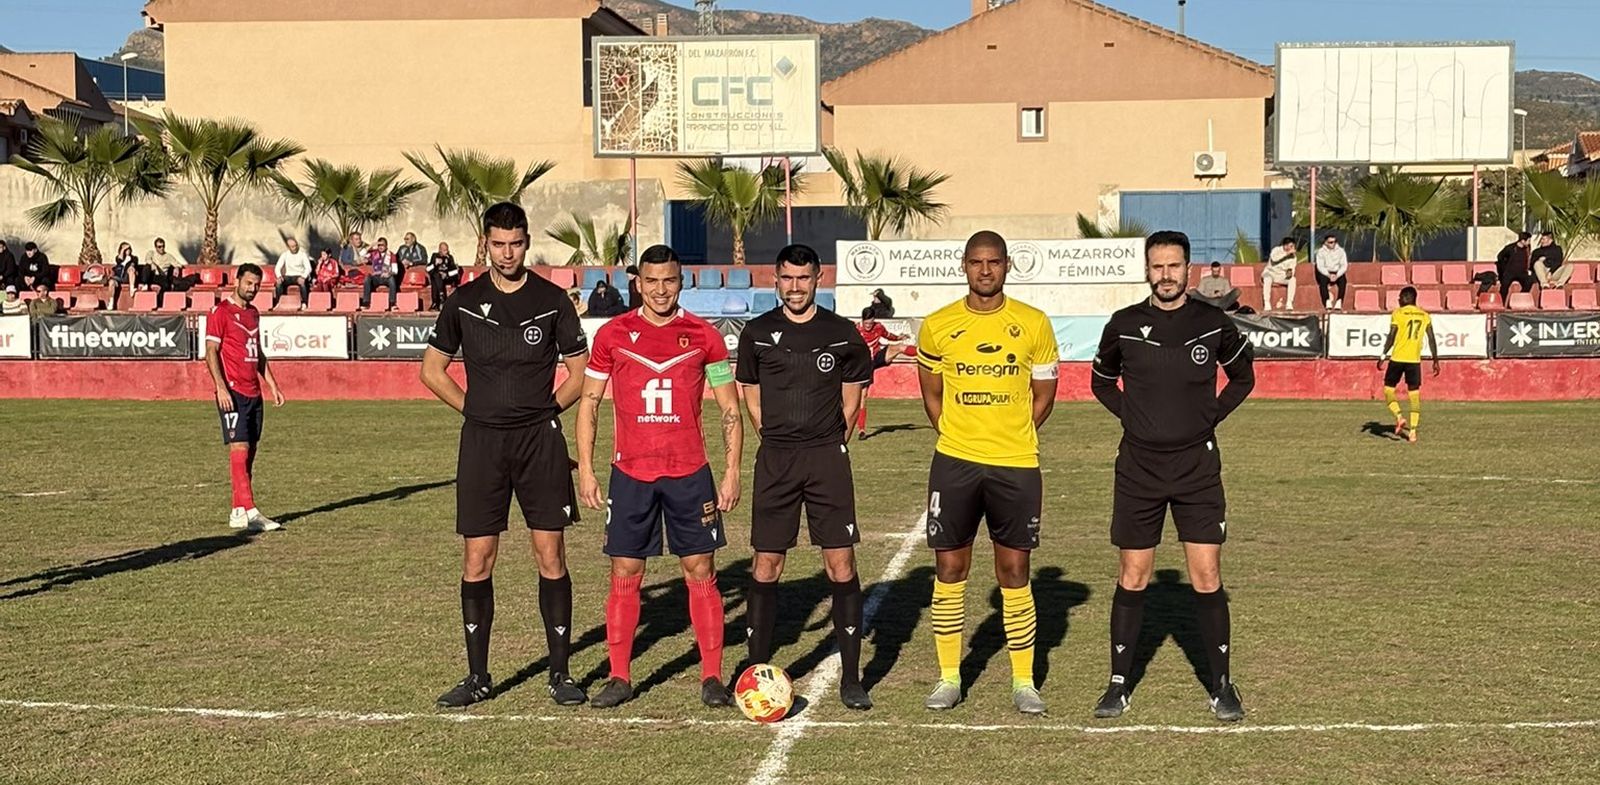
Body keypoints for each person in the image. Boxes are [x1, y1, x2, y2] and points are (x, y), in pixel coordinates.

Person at [420, 202, 590, 710]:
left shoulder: (552, 300)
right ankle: (478, 677)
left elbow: (579, 374)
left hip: (540, 442)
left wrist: (542, 411)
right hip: (482, 444)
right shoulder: (464, 301)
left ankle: (560, 674)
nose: (508, 252)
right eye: (498, 244)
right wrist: (475, 410)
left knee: (550, 554)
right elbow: (432, 371)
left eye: (516, 244)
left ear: (527, 241)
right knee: (478, 559)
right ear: (485, 243)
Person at [1089, 230, 1255, 723]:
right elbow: (1101, 381)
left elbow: (1244, 376)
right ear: (1147, 270)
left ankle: (1222, 686)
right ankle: (1118, 685)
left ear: (1189, 270)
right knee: (1133, 575)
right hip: (1138, 468)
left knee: (1206, 576)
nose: (1165, 275)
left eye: (1174, 266)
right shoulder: (1123, 324)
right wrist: (1132, 416)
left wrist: (1211, 416)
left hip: (1197, 468)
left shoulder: (1211, 322)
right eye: (1157, 267)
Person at [576, 244, 744, 710]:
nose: (660, 289)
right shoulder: (612, 334)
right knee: (625, 572)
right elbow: (589, 402)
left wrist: (731, 472)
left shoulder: (704, 336)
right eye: (651, 281)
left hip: (690, 473)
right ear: (638, 284)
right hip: (630, 474)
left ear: (682, 281)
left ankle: (712, 677)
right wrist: (588, 468)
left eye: (669, 280)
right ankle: (619, 676)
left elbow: (730, 408)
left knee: (701, 571)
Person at [916, 231, 1060, 715]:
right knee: (950, 568)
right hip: (955, 462)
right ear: (964, 265)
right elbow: (932, 395)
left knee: (1014, 571)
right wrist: (962, 436)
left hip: (1016, 464)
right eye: (976, 262)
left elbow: (1043, 396)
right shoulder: (938, 326)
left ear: (1007, 265)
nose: (985, 271)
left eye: (993, 262)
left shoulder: (1034, 323)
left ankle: (1024, 682)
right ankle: (949, 677)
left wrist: (1011, 432)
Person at [737, 243, 876, 710]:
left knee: (841, 564)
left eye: (804, 278)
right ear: (775, 280)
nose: (795, 287)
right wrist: (770, 436)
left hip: (825, 459)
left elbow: (852, 396)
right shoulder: (757, 333)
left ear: (818, 279)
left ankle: (852, 678)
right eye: (787, 278)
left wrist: (830, 441)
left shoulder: (841, 334)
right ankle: (756, 671)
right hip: (776, 459)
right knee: (767, 564)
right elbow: (749, 392)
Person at [203, 263, 287, 533]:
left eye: (256, 285)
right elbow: (211, 352)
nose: (252, 289)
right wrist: (221, 387)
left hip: (254, 391)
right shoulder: (220, 312)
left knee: (250, 451)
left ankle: (238, 510)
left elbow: (258, 352)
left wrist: (272, 384)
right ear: (237, 281)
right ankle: (251, 511)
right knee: (239, 449)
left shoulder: (253, 314)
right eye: (248, 283)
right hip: (233, 391)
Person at [1378, 286, 1440, 444]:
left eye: (1400, 297)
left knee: (1388, 389)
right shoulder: (1425, 315)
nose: (1398, 300)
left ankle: (1399, 416)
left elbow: (1391, 336)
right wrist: (1435, 360)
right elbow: (1431, 338)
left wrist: (1383, 355)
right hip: (1414, 361)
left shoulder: (1398, 314)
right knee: (1414, 394)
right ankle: (1412, 432)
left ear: (1407, 297)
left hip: (1397, 358)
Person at [853, 307, 908, 439]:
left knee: (900, 347)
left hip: (876, 357)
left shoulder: (878, 327)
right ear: (862, 320)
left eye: (870, 323)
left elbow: (888, 336)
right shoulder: (855, 329)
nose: (868, 326)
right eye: (866, 323)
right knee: (862, 397)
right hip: (863, 364)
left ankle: (925, 354)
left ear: (873, 320)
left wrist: (899, 337)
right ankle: (861, 430)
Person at [361, 237, 399, 311]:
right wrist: (372, 245)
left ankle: (392, 303)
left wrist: (389, 273)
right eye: (379, 245)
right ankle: (366, 302)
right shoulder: (374, 253)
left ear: (386, 246)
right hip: (376, 277)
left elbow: (395, 270)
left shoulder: (391, 255)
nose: (381, 247)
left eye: (382, 245)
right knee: (367, 278)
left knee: (392, 279)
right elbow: (361, 254)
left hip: (386, 277)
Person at [1495, 232, 1535, 300]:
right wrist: (1504, 269)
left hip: (1522, 273)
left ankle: (1519, 298)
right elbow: (1500, 257)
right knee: (1504, 286)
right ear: (1522, 241)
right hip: (1509, 273)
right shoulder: (1510, 248)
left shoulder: (1527, 249)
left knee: (1529, 281)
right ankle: (1501, 302)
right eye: (1528, 240)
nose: (1529, 242)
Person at [273, 237, 312, 307]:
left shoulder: (302, 254)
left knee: (302, 283)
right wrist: (279, 276)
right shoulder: (285, 254)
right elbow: (277, 267)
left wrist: (303, 277)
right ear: (288, 247)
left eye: (295, 245)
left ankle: (304, 303)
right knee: (278, 283)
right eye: (292, 247)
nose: (295, 248)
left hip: (299, 275)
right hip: (288, 276)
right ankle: (278, 303)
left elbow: (308, 268)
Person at [1261, 237, 1297, 311]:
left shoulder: (1293, 256)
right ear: (1285, 245)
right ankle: (1267, 302)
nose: (1291, 248)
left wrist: (1290, 273)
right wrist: (1286, 254)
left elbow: (1292, 268)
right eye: (1290, 246)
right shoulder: (1276, 250)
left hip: (1281, 275)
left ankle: (1289, 303)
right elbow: (1274, 259)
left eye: (1292, 246)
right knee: (1267, 279)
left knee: (1293, 280)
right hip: (1270, 272)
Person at [1314, 234, 1349, 310]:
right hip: (1325, 272)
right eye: (1330, 242)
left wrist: (1337, 275)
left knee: (1343, 281)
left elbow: (1344, 265)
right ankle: (1327, 301)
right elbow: (1320, 266)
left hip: (1337, 271)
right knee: (1323, 281)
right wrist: (1328, 275)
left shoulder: (1341, 251)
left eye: (1334, 241)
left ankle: (1339, 301)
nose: (1333, 243)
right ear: (1326, 242)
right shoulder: (1320, 252)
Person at [426, 242, 460, 310]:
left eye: (447, 250)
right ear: (440, 250)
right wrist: (435, 264)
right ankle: (441, 296)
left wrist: (446, 274)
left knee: (436, 278)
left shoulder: (450, 257)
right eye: (445, 250)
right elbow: (428, 269)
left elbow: (455, 271)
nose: (447, 252)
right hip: (437, 278)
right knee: (436, 276)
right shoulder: (435, 256)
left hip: (447, 278)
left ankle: (435, 302)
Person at [108, 242, 139, 309]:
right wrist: (123, 250)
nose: (127, 250)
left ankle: (132, 288)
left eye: (128, 249)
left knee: (131, 269)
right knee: (111, 282)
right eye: (126, 249)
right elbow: (119, 260)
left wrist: (129, 260)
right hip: (118, 277)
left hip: (127, 277)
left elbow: (133, 265)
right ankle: (111, 301)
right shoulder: (118, 258)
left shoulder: (134, 258)